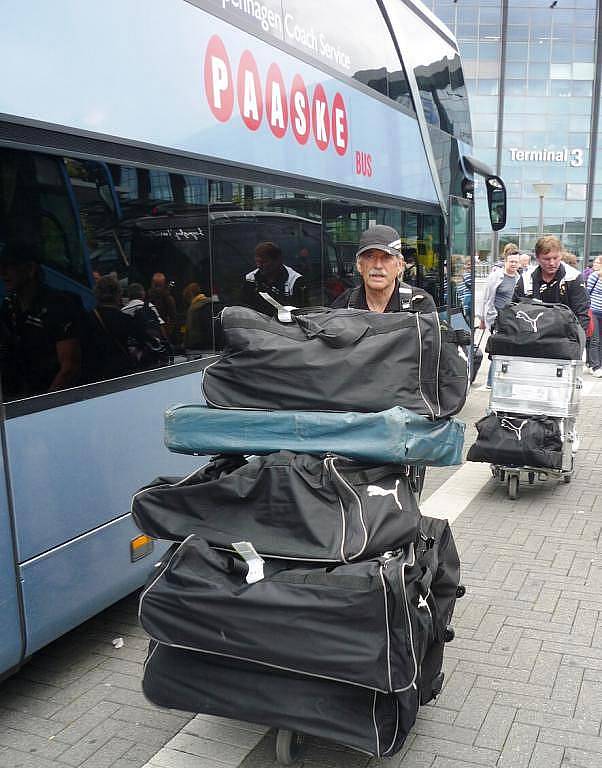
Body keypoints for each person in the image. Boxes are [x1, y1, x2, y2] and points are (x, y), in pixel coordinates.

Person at [0, 242, 83, 398]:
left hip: (53, 405)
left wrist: (42, 408)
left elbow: (70, 368)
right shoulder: (8, 306)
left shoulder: (60, 305)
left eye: (9, 266)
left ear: (30, 269)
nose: (2, 272)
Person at [331, 224, 436, 313]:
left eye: (386, 257)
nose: (378, 265)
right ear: (359, 265)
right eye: (370, 257)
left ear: (400, 265)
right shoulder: (344, 304)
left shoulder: (420, 305)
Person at [513, 235, 590, 332]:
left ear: (561, 255)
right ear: (537, 258)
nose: (552, 263)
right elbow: (514, 310)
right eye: (546, 259)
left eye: (555, 258)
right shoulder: (526, 279)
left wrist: (573, 342)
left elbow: (582, 315)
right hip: (532, 338)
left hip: (565, 338)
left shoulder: (573, 278)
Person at [479, 249, 521, 387]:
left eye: (516, 261)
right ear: (505, 261)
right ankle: (491, 382)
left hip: (512, 320)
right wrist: (482, 319)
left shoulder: (519, 278)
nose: (514, 264)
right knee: (498, 348)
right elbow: (486, 298)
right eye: (511, 261)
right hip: (496, 319)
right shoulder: (496, 276)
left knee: (509, 349)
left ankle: (504, 380)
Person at [241, 241, 306, 316]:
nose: (259, 266)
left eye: (263, 262)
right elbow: (243, 309)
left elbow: (302, 314)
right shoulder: (250, 279)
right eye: (257, 262)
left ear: (278, 261)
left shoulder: (295, 281)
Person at [182, 282, 215, 350]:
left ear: (190, 295)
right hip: (215, 346)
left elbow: (191, 334)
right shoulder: (212, 302)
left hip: (199, 349)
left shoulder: (193, 308)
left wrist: (184, 345)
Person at [148, 272, 177, 340]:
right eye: (156, 285)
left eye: (159, 285)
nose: (158, 288)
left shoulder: (168, 299)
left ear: (164, 284)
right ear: (152, 284)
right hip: (149, 331)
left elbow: (173, 318)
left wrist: (167, 333)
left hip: (163, 332)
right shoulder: (147, 297)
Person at [586, 255, 602, 377]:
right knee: (595, 339)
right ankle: (595, 366)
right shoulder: (594, 276)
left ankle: (599, 364)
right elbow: (587, 293)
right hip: (594, 311)